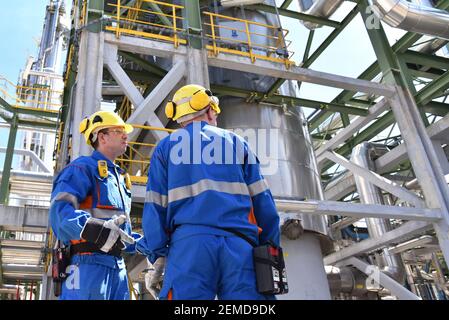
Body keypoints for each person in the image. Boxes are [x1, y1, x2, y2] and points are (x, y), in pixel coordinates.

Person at [137, 84, 280, 300]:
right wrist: (270, 246)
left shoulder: (165, 148)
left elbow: (155, 206)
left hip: (189, 248)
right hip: (240, 247)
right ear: (210, 110)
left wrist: (156, 252)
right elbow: (264, 202)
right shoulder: (237, 143)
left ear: (177, 116)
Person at [49, 110, 142, 300]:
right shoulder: (82, 168)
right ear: (102, 137)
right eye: (118, 131)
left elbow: (124, 233)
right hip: (87, 264)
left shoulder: (120, 179)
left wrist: (154, 247)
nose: (126, 135)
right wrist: (94, 229)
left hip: (117, 268)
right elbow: (60, 215)